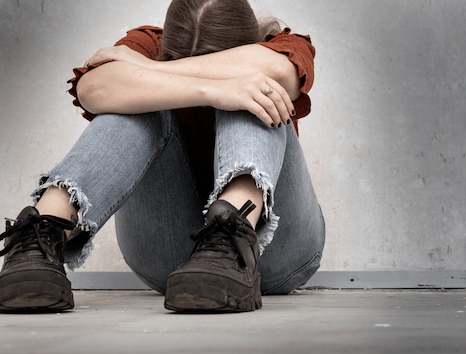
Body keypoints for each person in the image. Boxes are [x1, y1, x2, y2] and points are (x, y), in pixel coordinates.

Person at [0, 0, 325, 313]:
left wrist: (157, 70)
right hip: (168, 255)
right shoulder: (146, 43)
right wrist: (212, 88)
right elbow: (92, 90)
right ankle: (40, 236)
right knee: (132, 98)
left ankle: (232, 237)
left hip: (281, 252)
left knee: (255, 92)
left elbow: (280, 73)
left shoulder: (283, 44)